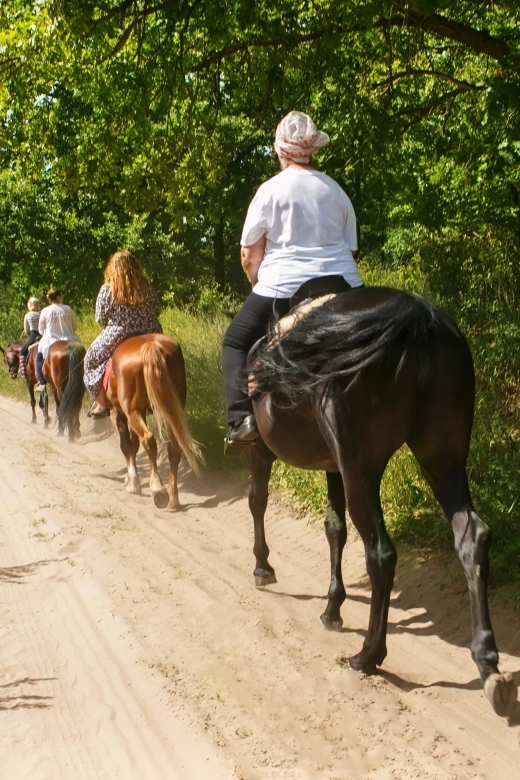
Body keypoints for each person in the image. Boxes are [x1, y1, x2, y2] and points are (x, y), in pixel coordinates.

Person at [222, 110, 364, 448]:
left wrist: (258, 284)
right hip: (345, 287)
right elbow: (350, 249)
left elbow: (249, 256)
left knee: (235, 342)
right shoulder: (337, 191)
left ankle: (241, 419)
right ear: (312, 149)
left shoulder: (269, 191)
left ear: (280, 150)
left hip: (283, 287)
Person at [84, 250, 162, 417]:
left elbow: (100, 318)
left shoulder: (108, 289)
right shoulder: (147, 288)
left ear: (112, 268)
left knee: (90, 359)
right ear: (135, 267)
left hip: (119, 333)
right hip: (150, 331)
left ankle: (102, 404)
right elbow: (157, 310)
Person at [35, 289, 81, 392]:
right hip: (70, 339)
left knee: (38, 358)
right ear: (58, 297)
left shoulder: (45, 311)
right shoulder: (68, 308)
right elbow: (75, 327)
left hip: (51, 341)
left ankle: (42, 383)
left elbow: (41, 330)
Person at [18, 296, 41, 377]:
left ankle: (23, 371)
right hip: (43, 335)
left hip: (33, 336)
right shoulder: (42, 313)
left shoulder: (27, 315)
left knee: (22, 351)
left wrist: (29, 335)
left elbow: (26, 330)